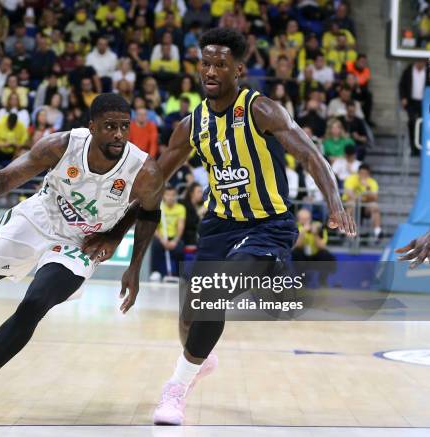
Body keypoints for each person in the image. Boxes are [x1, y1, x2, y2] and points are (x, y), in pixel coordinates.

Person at [122, 28, 355, 425]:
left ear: (239, 69)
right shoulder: (191, 124)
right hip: (219, 225)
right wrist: (118, 224)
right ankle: (199, 357)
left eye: (220, 64)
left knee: (214, 292)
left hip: (268, 225)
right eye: (205, 63)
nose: (211, 71)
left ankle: (175, 389)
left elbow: (311, 154)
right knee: (192, 313)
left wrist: (333, 199)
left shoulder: (261, 110)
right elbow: (155, 179)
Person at [0, 93, 164, 421]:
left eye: (124, 127)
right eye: (110, 126)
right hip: (37, 218)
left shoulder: (144, 170)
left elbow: (150, 211)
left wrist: (127, 256)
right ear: (92, 127)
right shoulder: (59, 145)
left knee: (35, 304)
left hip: (82, 242)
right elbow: (4, 178)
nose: (118, 134)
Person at [150, 185, 185, 281]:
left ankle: (179, 274)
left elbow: (180, 226)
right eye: (168, 195)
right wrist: (162, 240)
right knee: (155, 245)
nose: (170, 197)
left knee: (180, 248)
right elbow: (154, 228)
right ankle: (155, 272)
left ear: (176, 196)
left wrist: (175, 240)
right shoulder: (158, 207)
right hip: (161, 238)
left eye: (173, 195)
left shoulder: (180, 208)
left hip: (174, 238)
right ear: (164, 196)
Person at [292, 208, 336, 285]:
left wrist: (315, 233)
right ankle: (301, 280)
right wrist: (303, 232)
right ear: (298, 219)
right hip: (302, 256)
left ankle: (322, 280)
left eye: (307, 219)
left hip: (315, 255)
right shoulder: (294, 228)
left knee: (327, 256)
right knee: (296, 254)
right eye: (303, 219)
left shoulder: (318, 226)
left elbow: (322, 246)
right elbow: (297, 246)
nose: (305, 221)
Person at [343, 164, 381, 244]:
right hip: (352, 204)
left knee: (375, 206)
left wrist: (368, 188)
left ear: (369, 174)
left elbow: (375, 198)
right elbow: (350, 195)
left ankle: (377, 233)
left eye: (365, 174)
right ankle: (348, 231)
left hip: (365, 205)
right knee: (351, 204)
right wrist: (362, 196)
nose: (363, 175)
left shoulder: (372, 182)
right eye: (361, 173)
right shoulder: (351, 179)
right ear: (358, 173)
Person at [399, 60, 427, 156]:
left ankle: (422, 146)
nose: (421, 65)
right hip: (411, 102)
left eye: (422, 63)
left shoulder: (428, 71)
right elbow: (401, 85)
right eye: (419, 62)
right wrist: (403, 98)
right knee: (412, 122)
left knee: (423, 123)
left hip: (425, 102)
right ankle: (414, 147)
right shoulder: (408, 71)